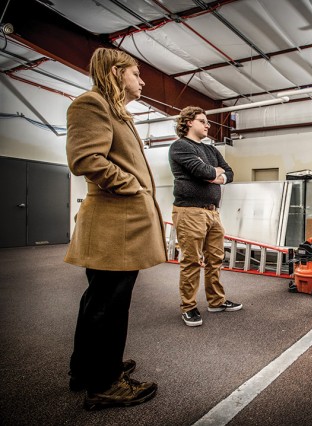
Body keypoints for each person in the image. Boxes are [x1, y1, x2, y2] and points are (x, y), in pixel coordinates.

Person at [65, 47, 166, 410]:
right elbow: (86, 160)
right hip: (114, 224)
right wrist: (133, 188)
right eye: (136, 73)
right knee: (109, 305)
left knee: (100, 301)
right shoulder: (91, 103)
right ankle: (105, 383)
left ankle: (87, 369)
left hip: (120, 225)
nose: (141, 81)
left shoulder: (117, 112)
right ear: (116, 71)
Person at [169, 106, 241, 327]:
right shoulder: (180, 146)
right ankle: (189, 307)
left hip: (212, 212)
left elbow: (229, 172)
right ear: (189, 122)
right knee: (191, 261)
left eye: (207, 122)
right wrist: (213, 172)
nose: (208, 125)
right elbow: (205, 172)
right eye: (203, 121)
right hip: (189, 211)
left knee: (215, 260)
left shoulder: (211, 150)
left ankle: (216, 301)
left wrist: (217, 175)